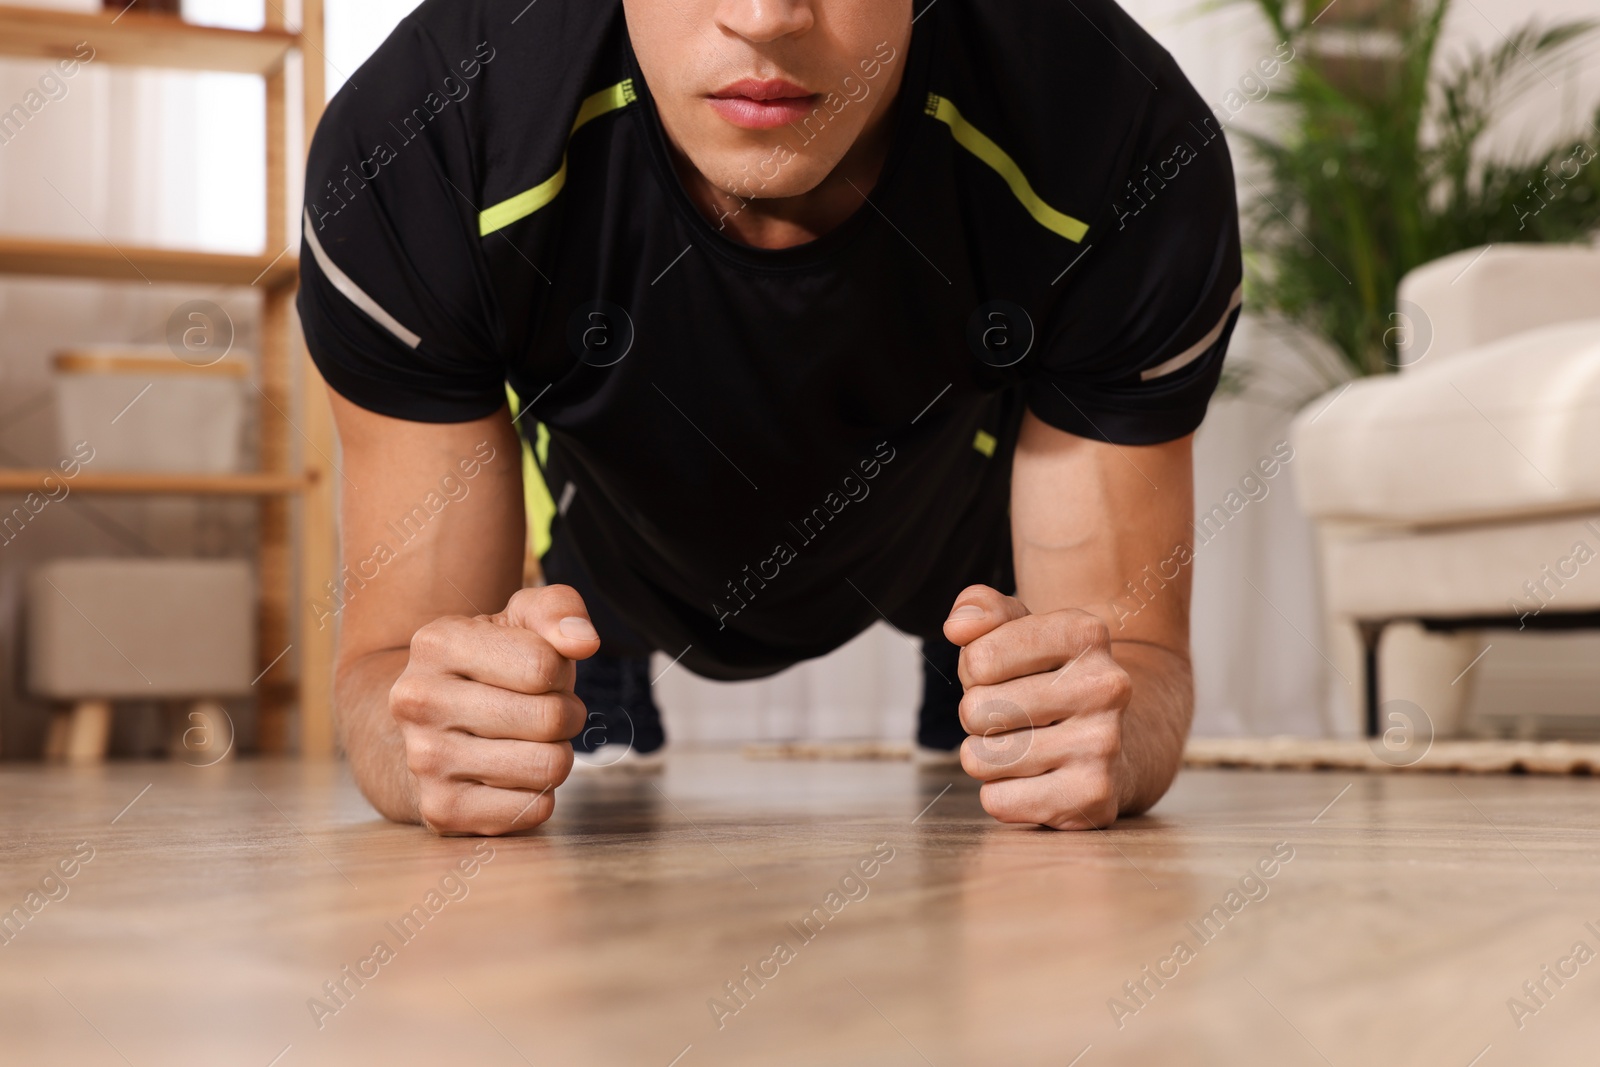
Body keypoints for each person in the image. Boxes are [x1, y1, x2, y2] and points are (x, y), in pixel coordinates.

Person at [297, 0, 1242, 836]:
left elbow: (1137, 657)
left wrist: (1087, 730)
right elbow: (390, 665)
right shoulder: (423, 135)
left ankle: (965, 672)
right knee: (581, 626)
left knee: (1014, 681)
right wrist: (441, 729)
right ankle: (611, 654)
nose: (765, 16)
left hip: (949, 541)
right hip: (614, 550)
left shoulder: (1122, 135)